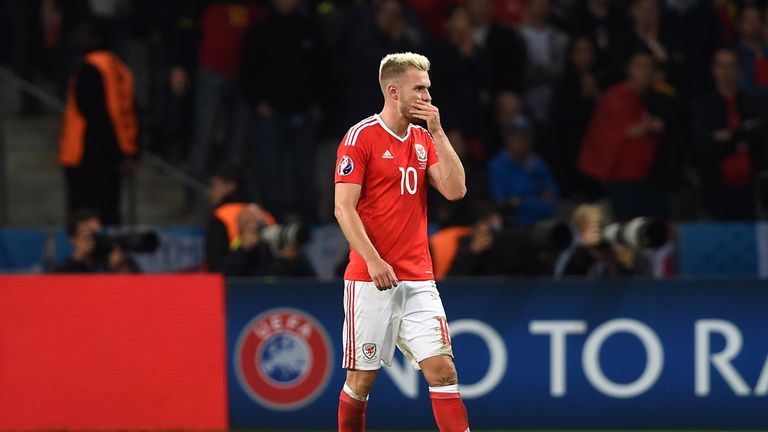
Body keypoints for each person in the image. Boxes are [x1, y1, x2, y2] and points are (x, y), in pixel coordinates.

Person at [334, 52, 470, 432]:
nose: (427, 96)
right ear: (394, 92)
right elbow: (343, 209)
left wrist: (439, 132)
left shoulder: (424, 139)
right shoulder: (361, 137)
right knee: (361, 383)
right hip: (370, 280)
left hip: (418, 280)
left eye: (429, 89)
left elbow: (456, 190)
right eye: (420, 89)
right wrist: (374, 261)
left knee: (443, 372)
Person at [58, 20, 138, 226]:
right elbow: (130, 112)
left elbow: (96, 116)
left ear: (96, 38)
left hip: (86, 156)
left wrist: (117, 153)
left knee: (86, 219)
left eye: (83, 33)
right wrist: (129, 152)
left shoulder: (89, 70)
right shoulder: (120, 69)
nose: (77, 38)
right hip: (113, 158)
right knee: (110, 216)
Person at [690, 47, 767, 220]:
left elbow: (759, 134)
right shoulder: (702, 107)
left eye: (731, 66)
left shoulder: (754, 102)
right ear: (713, 69)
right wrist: (739, 138)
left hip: (752, 188)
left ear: (739, 69)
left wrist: (726, 137)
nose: (726, 72)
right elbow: (704, 146)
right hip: (716, 187)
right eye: (721, 66)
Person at [488, 116, 559, 226]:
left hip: (542, 222)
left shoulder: (538, 164)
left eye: (524, 136)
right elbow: (502, 202)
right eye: (515, 136)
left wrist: (521, 200)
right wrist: (534, 198)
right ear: (507, 138)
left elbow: (551, 197)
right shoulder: (497, 165)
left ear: (530, 139)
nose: (519, 140)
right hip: (512, 225)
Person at [205, 164, 275, 272]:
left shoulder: (220, 216)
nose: (210, 192)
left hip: (231, 285)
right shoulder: (267, 215)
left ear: (230, 187)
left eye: (214, 187)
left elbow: (215, 269)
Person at [56, 209, 140, 273]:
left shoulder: (113, 253)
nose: (95, 239)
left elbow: (139, 284)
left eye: (98, 233)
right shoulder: (68, 266)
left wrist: (120, 268)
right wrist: (77, 259)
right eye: (89, 234)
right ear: (72, 239)